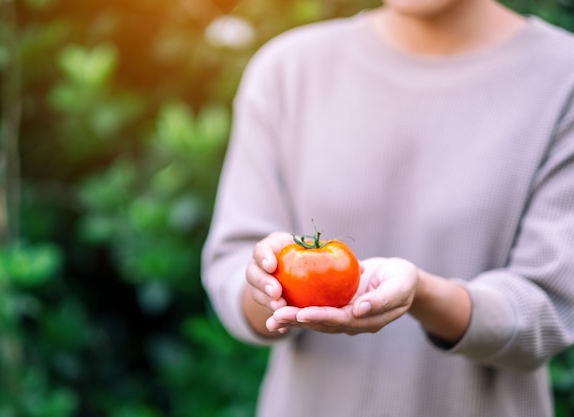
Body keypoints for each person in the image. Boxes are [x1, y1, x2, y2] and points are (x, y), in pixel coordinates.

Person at [201, 0, 574, 415]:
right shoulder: (289, 70)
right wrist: (269, 286)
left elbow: (550, 310)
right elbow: (232, 265)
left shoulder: (562, 77)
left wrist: (424, 294)